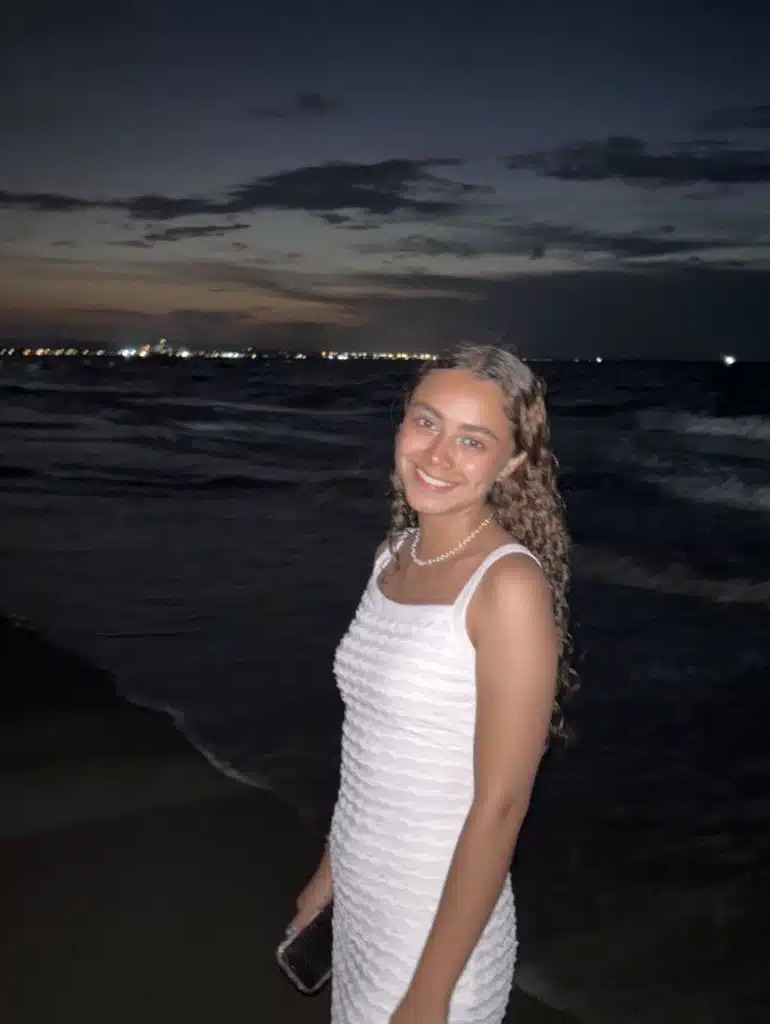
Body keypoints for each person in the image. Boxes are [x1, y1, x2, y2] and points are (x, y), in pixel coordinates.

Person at [290, 343, 575, 1023]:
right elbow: (368, 754)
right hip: (363, 902)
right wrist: (327, 879)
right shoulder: (392, 557)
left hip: (438, 929)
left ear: (513, 462)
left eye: (472, 440)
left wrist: (431, 992)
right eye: (426, 423)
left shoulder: (507, 587)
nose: (438, 455)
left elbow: (501, 806)